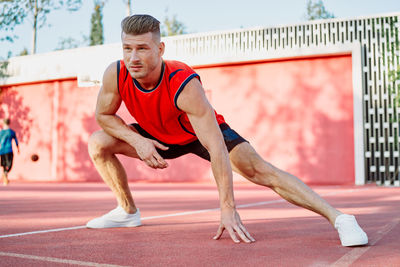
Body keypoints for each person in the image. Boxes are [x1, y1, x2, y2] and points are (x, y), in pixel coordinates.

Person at [87, 14, 368, 246]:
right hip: (156, 135)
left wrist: (228, 208)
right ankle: (127, 211)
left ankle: (340, 218)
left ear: (159, 50)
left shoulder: (184, 85)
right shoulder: (116, 73)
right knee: (98, 142)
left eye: (142, 49)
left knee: (260, 171)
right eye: (127, 48)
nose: (133, 57)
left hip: (198, 134)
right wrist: (138, 141)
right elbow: (103, 115)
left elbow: (216, 147)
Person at [0, 118, 19, 186]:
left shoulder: (1, 132)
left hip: (1, 151)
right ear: (9, 123)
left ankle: (5, 175)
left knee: (4, 164)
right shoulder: (11, 132)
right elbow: (16, 140)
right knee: (9, 164)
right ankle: (6, 173)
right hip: (9, 150)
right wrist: (17, 148)